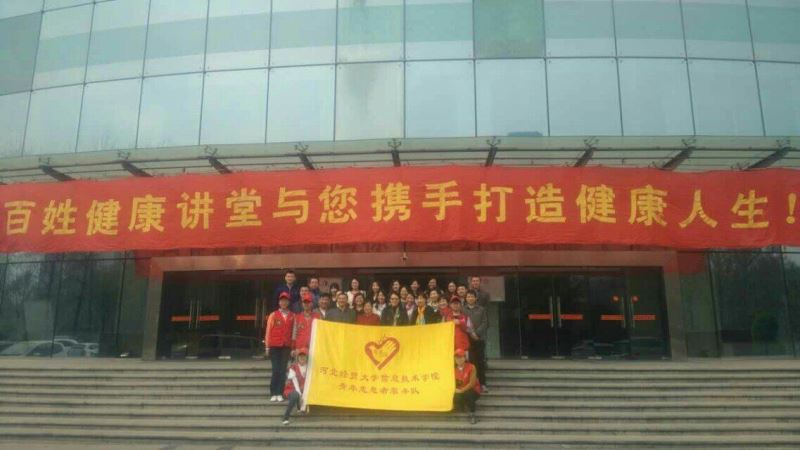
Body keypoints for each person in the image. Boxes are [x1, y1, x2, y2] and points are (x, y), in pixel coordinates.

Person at [266, 292, 294, 402]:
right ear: (279, 302)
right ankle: (273, 392)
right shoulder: (273, 315)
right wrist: (267, 346)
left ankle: (280, 392)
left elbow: (293, 332)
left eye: (286, 301)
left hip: (286, 346)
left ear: (288, 302)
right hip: (274, 346)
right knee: (275, 370)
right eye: (282, 301)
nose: (284, 302)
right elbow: (268, 331)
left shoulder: (292, 316)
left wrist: (293, 346)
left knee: (283, 370)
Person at [463, 290, 489, 393]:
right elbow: (463, 323)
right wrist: (471, 333)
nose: (470, 298)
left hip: (479, 339)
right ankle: (471, 384)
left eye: (472, 296)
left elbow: (485, 323)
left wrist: (477, 333)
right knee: (470, 362)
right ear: (466, 298)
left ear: (475, 298)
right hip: (467, 340)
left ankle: (483, 384)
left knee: (480, 362)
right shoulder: (463, 310)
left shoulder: (481, 309)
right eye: (468, 296)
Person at [281, 347, 309, 425]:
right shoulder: (293, 367)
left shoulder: (309, 367)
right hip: (292, 389)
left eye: (304, 356)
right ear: (297, 357)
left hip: (303, 389)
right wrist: (300, 394)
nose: (302, 358)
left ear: (307, 357)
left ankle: (300, 406)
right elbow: (295, 382)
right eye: (300, 356)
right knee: (295, 395)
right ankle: (286, 417)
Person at [453, 348, 480, 424]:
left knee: (468, 393)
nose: (458, 360)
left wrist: (461, 390)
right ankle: (462, 406)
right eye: (456, 358)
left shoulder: (471, 367)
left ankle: (473, 414)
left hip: (473, 390)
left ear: (465, 358)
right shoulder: (453, 369)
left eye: (460, 357)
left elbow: (472, 383)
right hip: (460, 390)